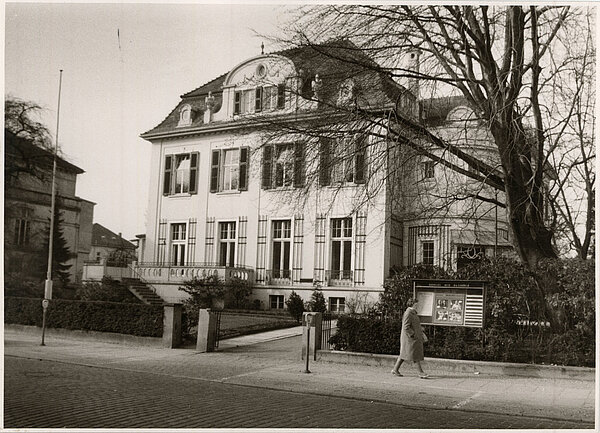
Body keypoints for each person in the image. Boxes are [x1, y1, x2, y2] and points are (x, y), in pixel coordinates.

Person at [391, 297, 429, 378]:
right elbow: (406, 327)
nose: (417, 306)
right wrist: (413, 335)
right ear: (413, 304)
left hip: (411, 338)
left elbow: (414, 325)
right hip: (410, 339)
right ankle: (420, 372)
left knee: (404, 354)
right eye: (416, 304)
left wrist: (421, 333)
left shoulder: (412, 313)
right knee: (415, 355)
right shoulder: (408, 313)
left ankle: (395, 369)